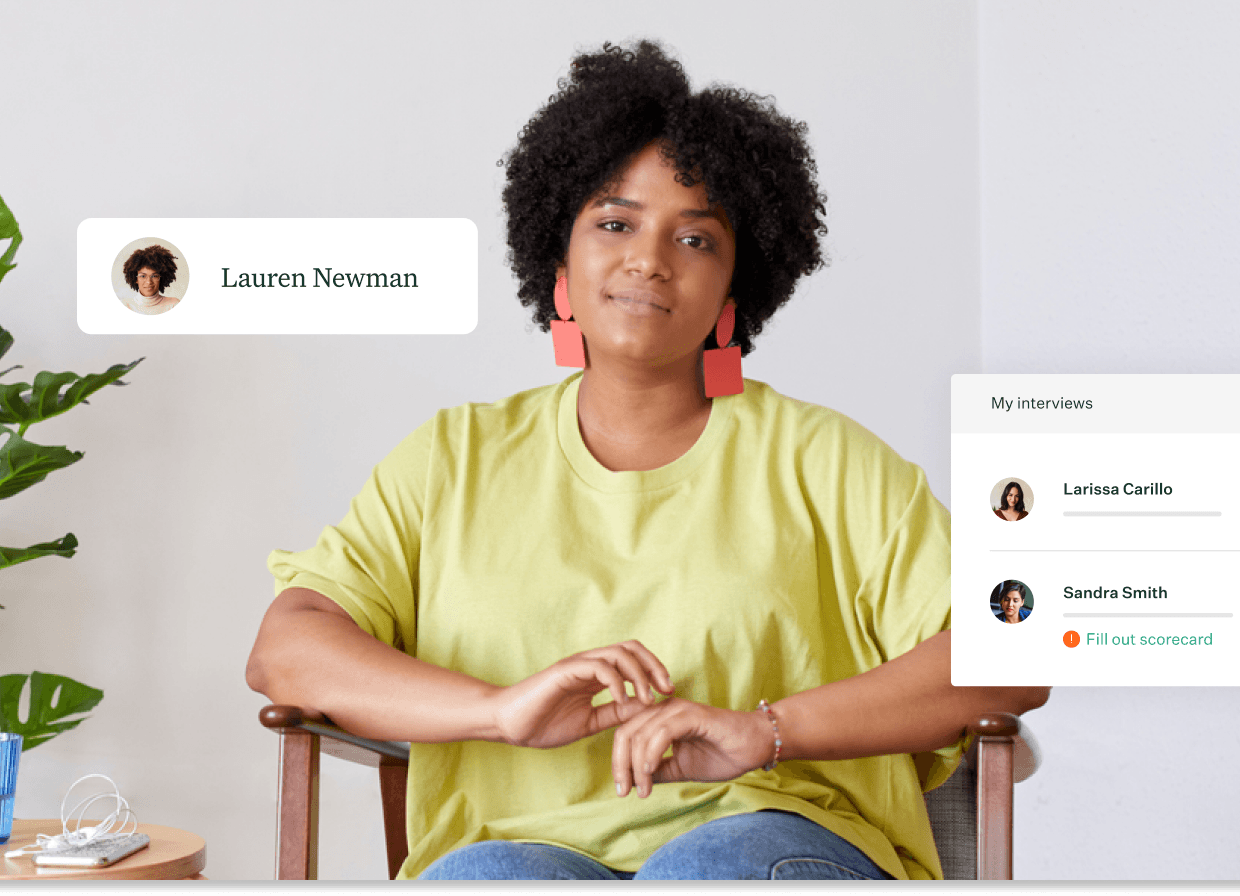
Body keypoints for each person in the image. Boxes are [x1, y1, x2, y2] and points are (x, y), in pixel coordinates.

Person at [247, 41, 1048, 881]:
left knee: (715, 865)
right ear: (560, 266)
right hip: (514, 855)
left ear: (733, 295)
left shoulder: (825, 462)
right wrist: (499, 711)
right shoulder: (451, 462)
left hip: (772, 840)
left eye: (696, 238)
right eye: (615, 222)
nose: (649, 259)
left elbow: (1014, 647)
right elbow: (288, 649)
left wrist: (767, 731)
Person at [119, 244, 181, 314]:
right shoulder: (125, 305)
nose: (149, 282)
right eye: (143, 276)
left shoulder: (173, 304)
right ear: (135, 279)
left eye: (154, 276)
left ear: (161, 278)